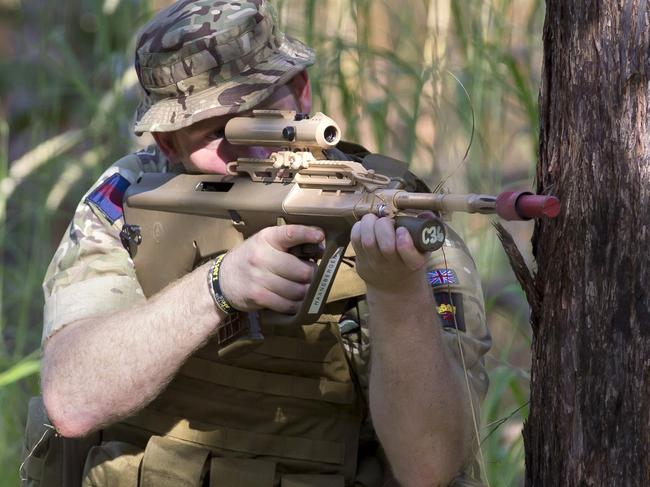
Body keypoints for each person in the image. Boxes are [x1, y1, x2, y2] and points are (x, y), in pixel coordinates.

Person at [26, 1, 491, 486]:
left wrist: (398, 293)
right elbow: (72, 400)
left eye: (269, 115)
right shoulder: (128, 199)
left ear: (303, 93)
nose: (259, 148)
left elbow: (429, 465)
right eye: (219, 133)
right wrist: (217, 287)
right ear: (168, 143)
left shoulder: (391, 207)